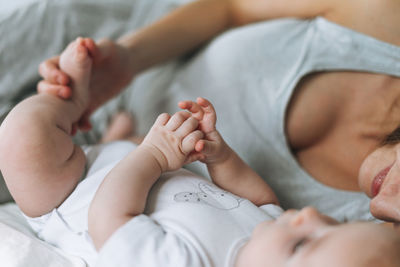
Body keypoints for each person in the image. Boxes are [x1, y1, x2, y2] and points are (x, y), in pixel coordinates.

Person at [1, 39, 400, 267]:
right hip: (140, 160)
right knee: (135, 138)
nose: (309, 216)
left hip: (70, 193)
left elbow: (111, 217)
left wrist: (155, 156)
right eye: (334, 225)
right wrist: (221, 157)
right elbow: (260, 199)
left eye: (303, 245)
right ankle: (115, 131)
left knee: (22, 139)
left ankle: (71, 104)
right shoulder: (268, 233)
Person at [36, 0, 400, 223]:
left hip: (94, 177)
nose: (383, 210)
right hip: (125, 39)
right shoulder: (384, 29)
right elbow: (233, 7)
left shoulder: (366, 240)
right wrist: (128, 60)